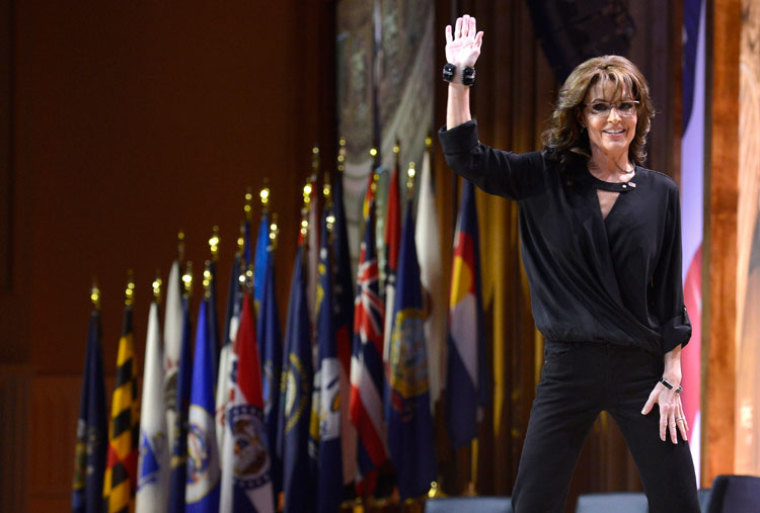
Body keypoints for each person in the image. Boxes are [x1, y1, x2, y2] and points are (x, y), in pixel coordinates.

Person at [438, 14, 701, 513]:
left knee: (680, 502)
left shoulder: (660, 193)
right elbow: (465, 156)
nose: (615, 118)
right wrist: (459, 76)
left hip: (642, 370)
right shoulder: (544, 177)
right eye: (601, 107)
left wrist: (672, 380)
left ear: (640, 114)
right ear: (581, 116)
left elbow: (669, 300)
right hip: (568, 365)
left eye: (626, 106)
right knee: (533, 502)